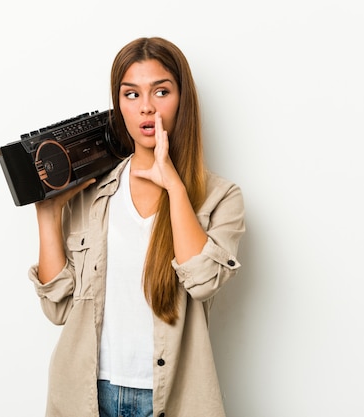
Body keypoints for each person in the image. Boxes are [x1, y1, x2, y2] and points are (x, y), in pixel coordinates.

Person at [28, 37, 246, 417]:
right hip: (88, 395)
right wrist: (48, 216)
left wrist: (174, 186)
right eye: (131, 94)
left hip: (172, 398)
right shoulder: (91, 194)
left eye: (161, 91)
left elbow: (204, 280)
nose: (147, 107)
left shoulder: (220, 198)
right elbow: (58, 308)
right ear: (118, 106)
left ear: (183, 100)